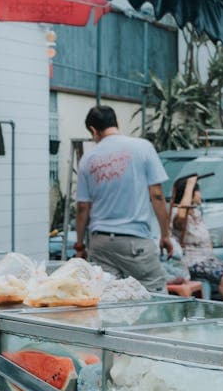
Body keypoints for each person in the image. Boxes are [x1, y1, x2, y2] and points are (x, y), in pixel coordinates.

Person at [74, 105, 173, 292]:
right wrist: (165, 235)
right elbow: (157, 195)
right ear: (116, 123)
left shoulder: (87, 159)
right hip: (136, 243)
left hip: (101, 244)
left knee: (109, 302)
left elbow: (82, 207)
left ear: (94, 130)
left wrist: (80, 245)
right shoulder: (143, 147)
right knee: (156, 300)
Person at [171, 175, 223, 303]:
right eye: (198, 191)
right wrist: (189, 186)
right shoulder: (177, 212)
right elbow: (181, 219)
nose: (200, 194)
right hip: (191, 261)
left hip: (206, 258)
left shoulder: (196, 212)